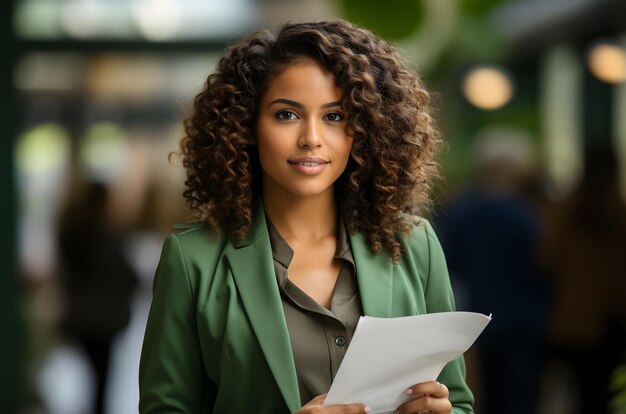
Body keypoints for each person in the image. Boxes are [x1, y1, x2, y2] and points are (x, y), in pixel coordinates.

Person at [139, 20, 474, 414]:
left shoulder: (415, 245)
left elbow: (458, 401)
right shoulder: (191, 260)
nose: (311, 137)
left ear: (363, 129)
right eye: (286, 115)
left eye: (334, 116)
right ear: (247, 126)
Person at [57, 180, 139, 414]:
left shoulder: (72, 235)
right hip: (104, 323)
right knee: (102, 384)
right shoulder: (107, 239)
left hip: (80, 320)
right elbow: (129, 277)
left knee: (92, 380)